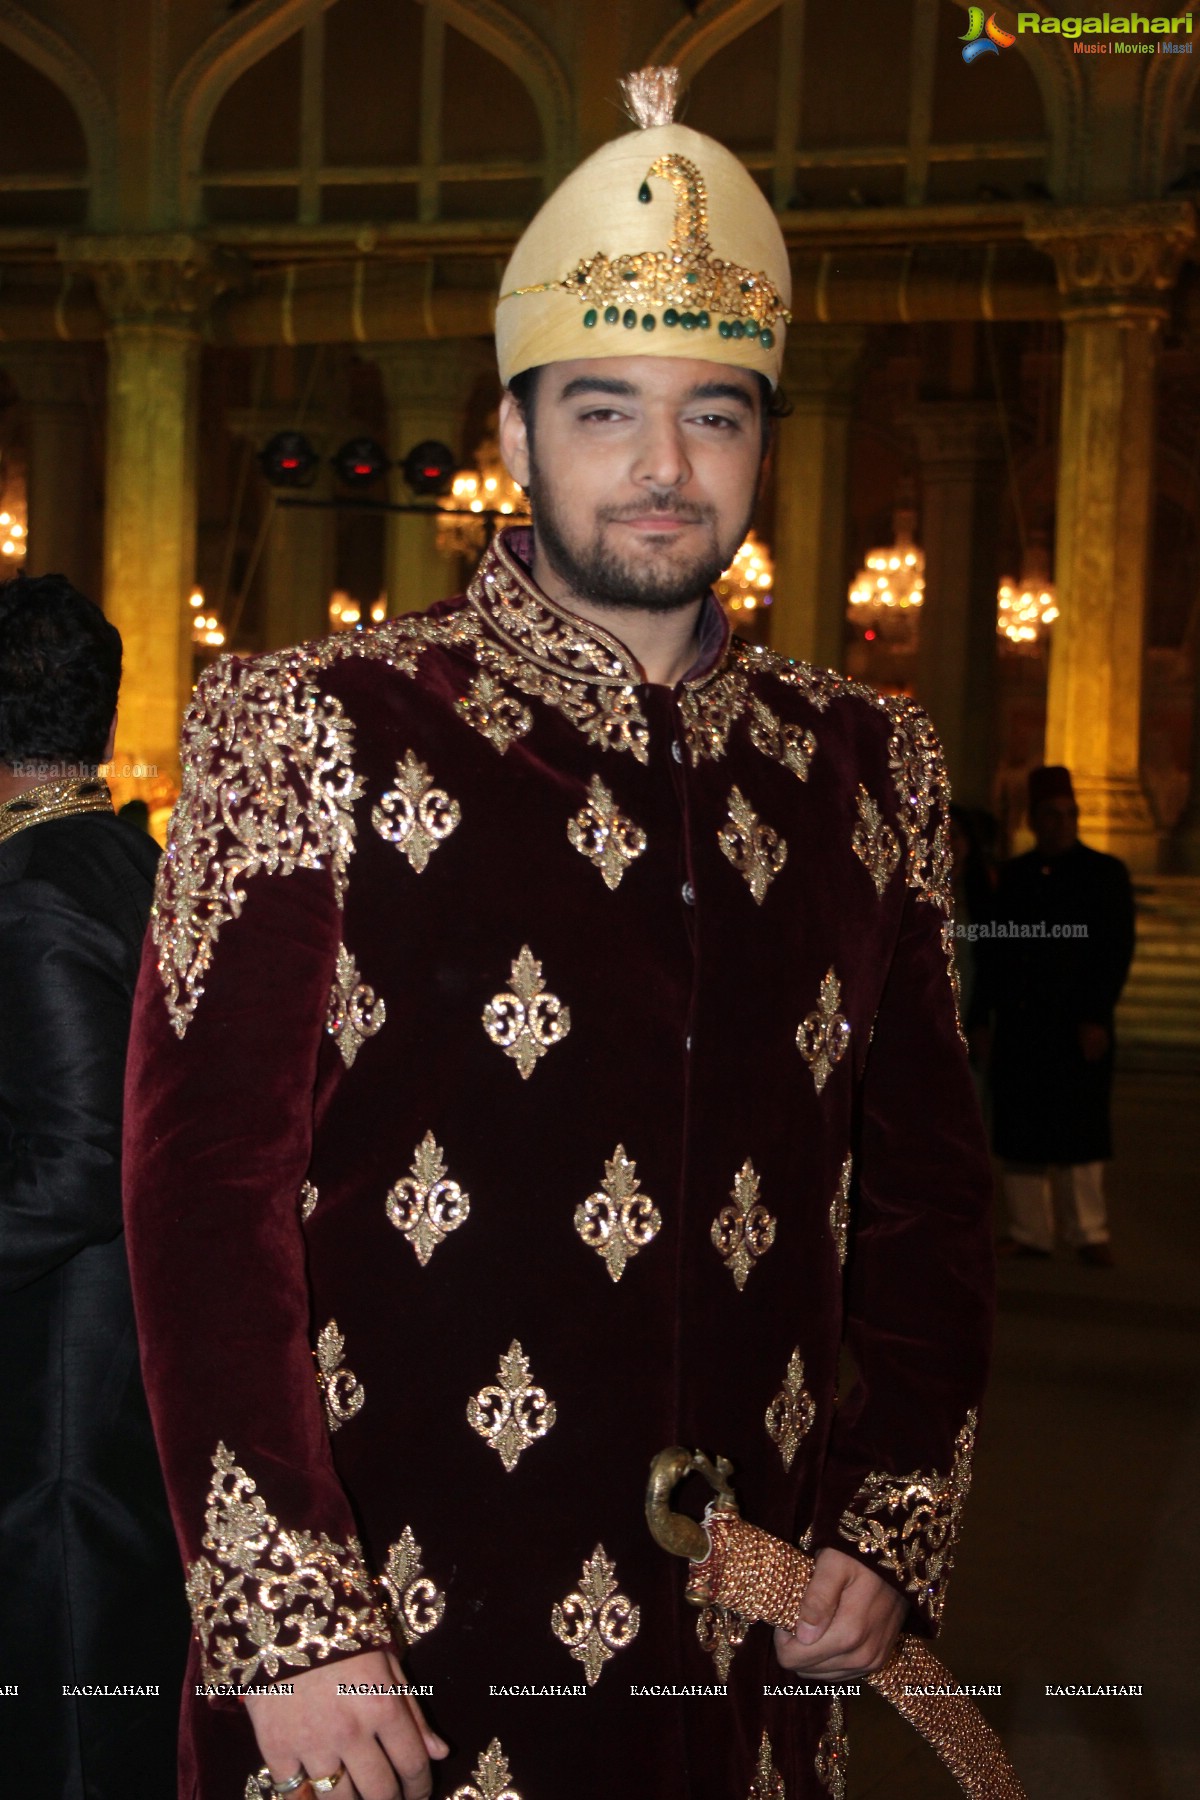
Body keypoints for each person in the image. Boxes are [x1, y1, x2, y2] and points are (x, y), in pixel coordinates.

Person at [123, 68, 995, 1800]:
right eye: (605, 412)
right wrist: (290, 1626)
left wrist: (888, 1528)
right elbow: (199, 1198)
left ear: (766, 437)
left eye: (717, 416)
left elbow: (929, 1200)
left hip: (742, 1656)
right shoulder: (314, 724)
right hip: (394, 1662)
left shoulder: (868, 763)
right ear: (513, 439)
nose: (665, 470)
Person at [0, 572, 187, 1792]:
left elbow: (78, 1161)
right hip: (122, 1371)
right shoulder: (126, 855)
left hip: (63, 1405)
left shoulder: (38, 892)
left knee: (67, 1725)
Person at [982, 764, 1135, 1266]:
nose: (1059, 823)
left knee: (1081, 1127)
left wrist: (1096, 1015)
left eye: (1067, 815)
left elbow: (1114, 951)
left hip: (1076, 1022)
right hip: (1024, 1023)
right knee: (1022, 1128)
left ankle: (1089, 1232)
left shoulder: (1105, 875)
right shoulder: (1016, 877)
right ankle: (1031, 1231)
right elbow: (995, 955)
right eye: (1050, 815)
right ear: (1034, 818)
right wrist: (985, 1017)